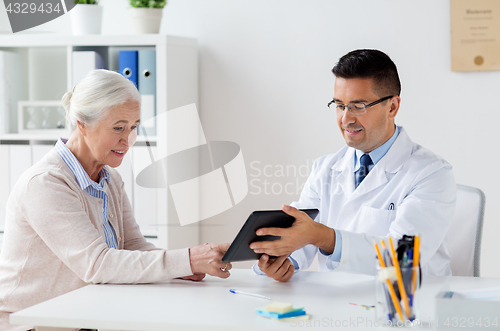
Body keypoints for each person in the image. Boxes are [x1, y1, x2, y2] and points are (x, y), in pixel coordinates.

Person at [0, 69, 232, 331]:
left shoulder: (109, 178)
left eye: (133, 127)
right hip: (31, 326)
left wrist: (180, 265)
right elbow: (97, 264)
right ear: (82, 124)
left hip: (83, 318)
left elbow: (132, 246)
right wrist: (187, 259)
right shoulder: (46, 184)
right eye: (118, 127)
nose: (128, 140)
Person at [250, 49, 456, 282]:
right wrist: (283, 261)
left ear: (392, 107)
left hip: (408, 307)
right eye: (339, 105)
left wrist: (324, 237)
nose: (346, 119)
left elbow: (403, 257)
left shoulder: (431, 173)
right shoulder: (326, 168)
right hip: (337, 305)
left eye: (358, 106)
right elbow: (302, 236)